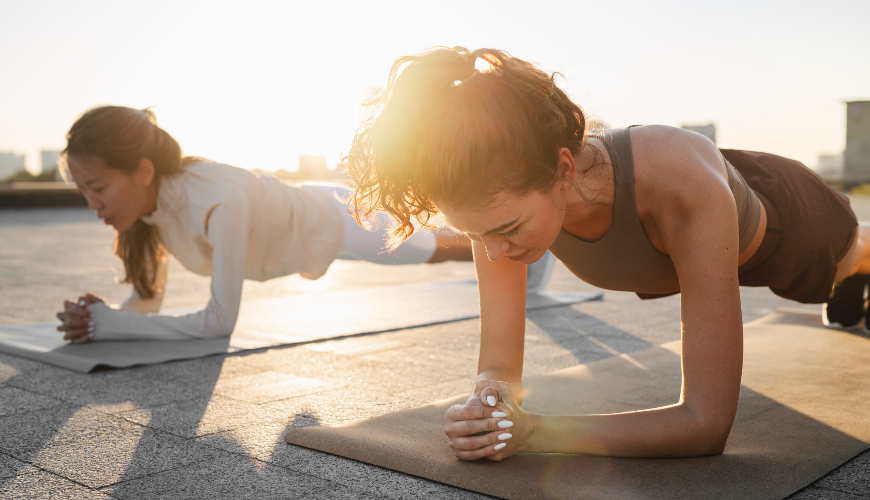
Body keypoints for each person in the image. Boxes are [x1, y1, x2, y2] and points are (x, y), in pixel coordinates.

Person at [344, 46, 870, 460]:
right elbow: (500, 366)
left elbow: (706, 424)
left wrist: (535, 435)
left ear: (565, 171)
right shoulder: (497, 211)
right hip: (712, 210)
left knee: (843, 271)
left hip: (793, 226)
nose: (493, 251)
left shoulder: (680, 186)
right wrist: (491, 404)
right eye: (479, 235)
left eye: (505, 229)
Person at [54, 106, 556, 342]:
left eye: (97, 188)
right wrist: (105, 319)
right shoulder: (148, 213)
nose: (92, 203)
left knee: (434, 248)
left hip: (333, 219)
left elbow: (218, 325)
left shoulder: (218, 198)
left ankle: (529, 245)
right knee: (432, 247)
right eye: (84, 191)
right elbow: (147, 303)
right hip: (305, 207)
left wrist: (113, 325)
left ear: (142, 172)